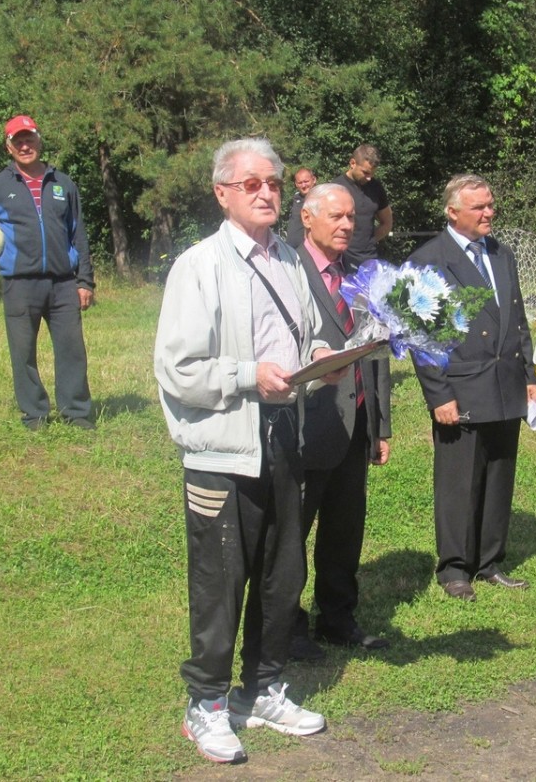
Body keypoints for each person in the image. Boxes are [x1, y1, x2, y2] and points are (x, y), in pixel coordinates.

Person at [153, 138, 344, 765]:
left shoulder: (289, 258)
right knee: (220, 580)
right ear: (222, 193)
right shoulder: (199, 266)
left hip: (284, 434)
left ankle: (262, 689)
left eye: (275, 183)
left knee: (282, 573)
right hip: (222, 448)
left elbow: (308, 333)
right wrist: (245, 376)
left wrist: (320, 357)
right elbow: (178, 369)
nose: (267, 193)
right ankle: (205, 705)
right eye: (253, 183)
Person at [407, 173, 536, 602]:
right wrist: (439, 394)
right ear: (452, 211)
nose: (489, 213)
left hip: (505, 384)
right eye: (478, 207)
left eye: (490, 204)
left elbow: (518, 318)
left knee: (499, 474)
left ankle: (489, 561)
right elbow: (420, 336)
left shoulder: (503, 255)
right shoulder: (429, 260)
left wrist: (530, 375)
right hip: (460, 389)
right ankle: (454, 569)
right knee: (459, 482)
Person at [290, 183, 393, 660]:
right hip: (305, 423)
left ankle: (337, 619)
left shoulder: (361, 276)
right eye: (337, 217)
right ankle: (288, 628)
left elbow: (378, 353)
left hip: (356, 423)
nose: (348, 226)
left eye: (352, 218)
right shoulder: (286, 271)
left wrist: (381, 426)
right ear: (308, 219)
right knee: (293, 531)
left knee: (345, 528)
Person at [0, 114, 96, 431]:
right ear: (9, 147)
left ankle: (77, 413)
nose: (25, 145)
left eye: (29, 139)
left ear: (39, 141)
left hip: (62, 284)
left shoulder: (63, 184)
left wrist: (84, 280)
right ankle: (35, 414)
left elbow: (78, 234)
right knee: (23, 353)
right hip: (19, 285)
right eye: (18, 141)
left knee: (72, 350)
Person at [330, 144, 392, 266]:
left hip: (370, 259)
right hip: (342, 259)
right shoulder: (336, 188)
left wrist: (370, 241)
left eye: (372, 174)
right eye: (365, 172)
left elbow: (387, 222)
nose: (369, 178)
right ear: (352, 163)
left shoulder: (376, 187)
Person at [284, 166, 316, 248]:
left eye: (306, 181)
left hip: (307, 251)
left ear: (314, 180)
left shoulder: (320, 198)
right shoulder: (295, 198)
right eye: (300, 183)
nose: (303, 185)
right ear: (296, 184)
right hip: (290, 250)